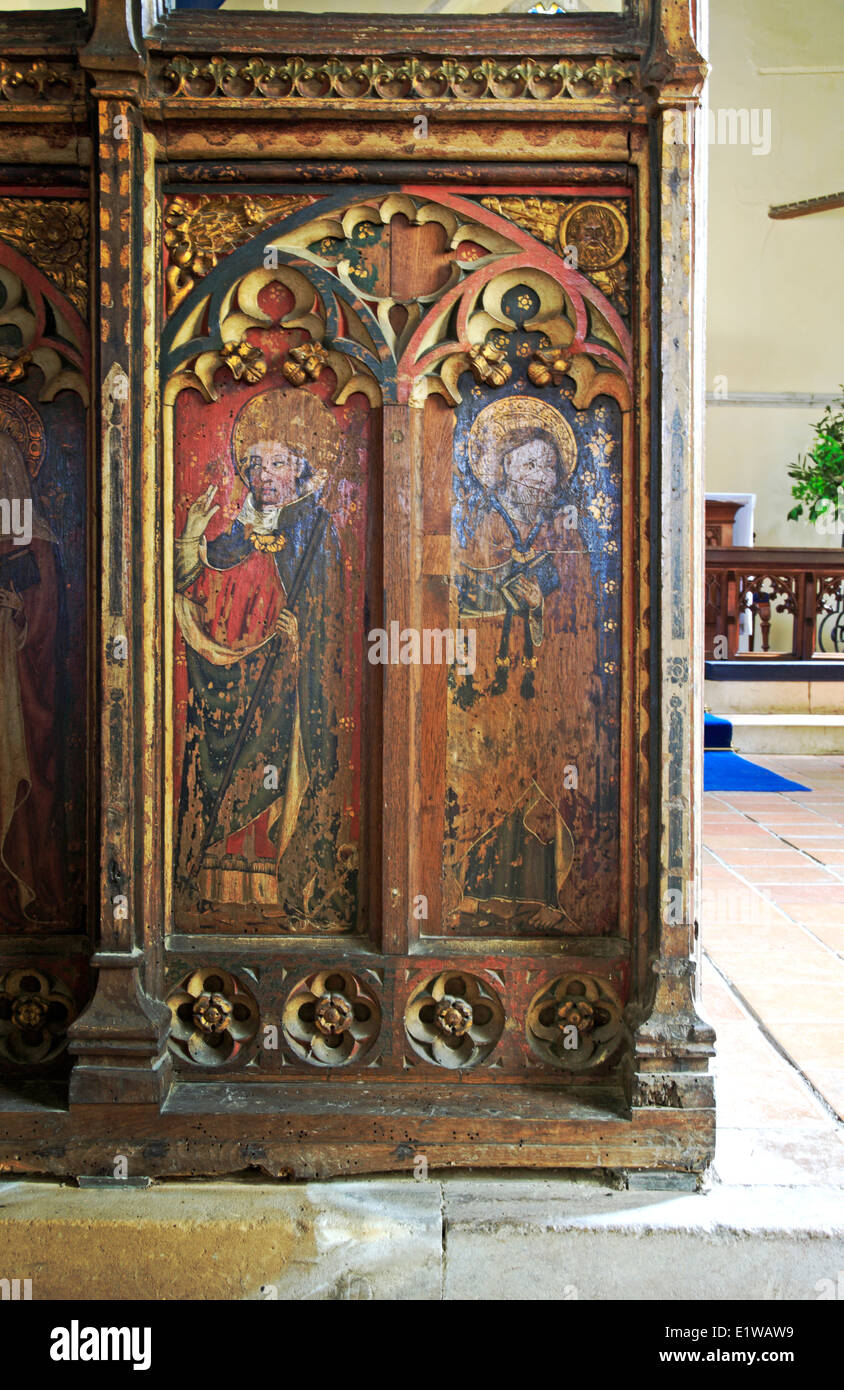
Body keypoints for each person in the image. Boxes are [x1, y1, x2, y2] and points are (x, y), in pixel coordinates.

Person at [174, 388, 354, 929]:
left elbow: (334, 611)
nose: (263, 474)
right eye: (254, 463)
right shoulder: (242, 529)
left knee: (285, 770)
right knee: (223, 773)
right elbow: (211, 574)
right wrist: (192, 541)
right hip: (240, 675)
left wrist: (307, 633)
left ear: (301, 468)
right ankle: (208, 884)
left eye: (277, 462)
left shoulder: (317, 528)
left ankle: (295, 885)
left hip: (293, 684)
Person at [0, 426, 67, 926]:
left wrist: (18, 613)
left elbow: (47, 641)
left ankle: (26, 891)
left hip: (16, 701)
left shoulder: (36, 545)